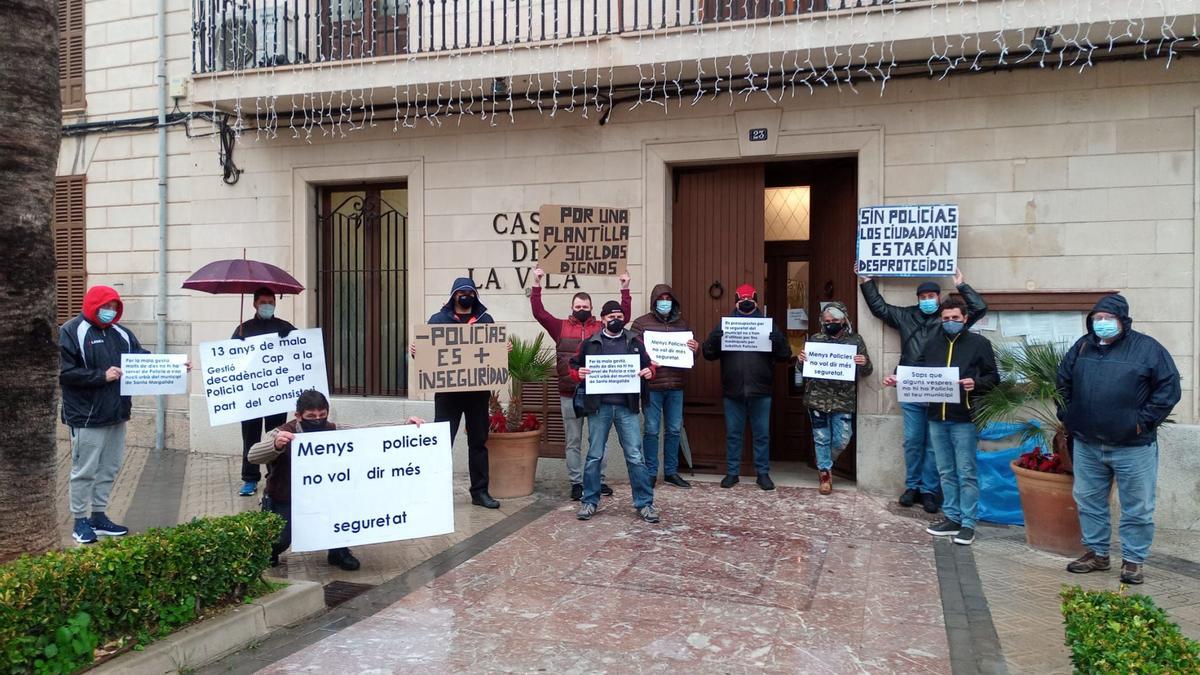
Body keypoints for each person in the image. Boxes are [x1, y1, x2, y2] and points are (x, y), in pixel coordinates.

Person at [1057, 294, 1180, 585]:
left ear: (1122, 320)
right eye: (1097, 318)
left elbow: (1168, 389)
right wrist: (1069, 416)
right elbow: (1063, 382)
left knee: (1137, 506)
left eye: (1108, 318)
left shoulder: (1148, 349)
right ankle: (1097, 555)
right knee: (1088, 501)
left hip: (1133, 447)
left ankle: (1133, 561)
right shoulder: (1083, 346)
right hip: (1087, 443)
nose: (1102, 323)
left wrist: (1141, 424)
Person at [248, 390, 426, 570]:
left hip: (323, 496)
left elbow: (365, 432)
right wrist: (275, 445)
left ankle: (338, 551)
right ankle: (270, 550)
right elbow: (253, 455)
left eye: (322, 415)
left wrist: (404, 425)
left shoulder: (332, 430)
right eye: (311, 416)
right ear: (298, 416)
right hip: (286, 496)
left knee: (341, 518)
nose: (317, 419)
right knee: (281, 539)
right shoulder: (282, 432)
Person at [859, 265, 988, 513]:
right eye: (923, 297)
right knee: (913, 441)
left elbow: (979, 309)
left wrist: (961, 285)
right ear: (917, 299)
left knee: (933, 444)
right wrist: (866, 281)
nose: (927, 301)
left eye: (931, 297)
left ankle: (930, 490)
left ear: (938, 298)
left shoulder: (949, 319)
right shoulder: (907, 316)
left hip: (941, 390)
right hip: (912, 388)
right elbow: (880, 308)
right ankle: (913, 486)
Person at [885, 297, 997, 546]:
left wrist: (975, 383)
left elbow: (993, 377)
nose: (950, 322)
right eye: (946, 319)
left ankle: (968, 524)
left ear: (965, 319)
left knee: (966, 472)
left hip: (964, 418)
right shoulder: (933, 343)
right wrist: (899, 379)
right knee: (945, 471)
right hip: (936, 416)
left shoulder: (979, 344)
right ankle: (952, 517)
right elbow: (919, 372)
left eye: (955, 318)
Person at [529, 267, 631, 500]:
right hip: (569, 393)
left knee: (599, 441)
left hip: (597, 394)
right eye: (578, 308)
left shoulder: (599, 327)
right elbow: (540, 313)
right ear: (572, 309)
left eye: (586, 307)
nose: (582, 310)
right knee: (573, 442)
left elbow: (622, 315)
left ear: (592, 309)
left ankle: (598, 480)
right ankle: (576, 482)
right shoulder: (560, 327)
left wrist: (625, 289)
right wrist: (536, 284)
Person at [60, 285, 149, 544]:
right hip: (86, 416)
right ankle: (79, 521)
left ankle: (98, 516)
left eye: (114, 307)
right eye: (106, 306)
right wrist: (102, 376)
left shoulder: (121, 333)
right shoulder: (71, 331)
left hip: (116, 414)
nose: (110, 312)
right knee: (84, 470)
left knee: (109, 468)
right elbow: (65, 373)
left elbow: (141, 359)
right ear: (93, 305)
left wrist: (175, 367)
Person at [569, 301, 660, 523]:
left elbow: (650, 365)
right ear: (603, 319)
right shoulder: (590, 343)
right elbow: (572, 366)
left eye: (619, 316)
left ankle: (644, 503)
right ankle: (590, 501)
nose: (616, 320)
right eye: (611, 317)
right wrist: (577, 374)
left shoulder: (634, 341)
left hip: (626, 408)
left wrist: (651, 371)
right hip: (599, 408)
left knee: (635, 456)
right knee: (594, 455)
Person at [416, 278, 502, 509]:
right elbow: (429, 356)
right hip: (448, 394)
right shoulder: (438, 320)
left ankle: (480, 492)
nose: (466, 296)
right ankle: (435, 492)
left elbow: (493, 354)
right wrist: (418, 351)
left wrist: (502, 350)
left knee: (478, 443)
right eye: (461, 292)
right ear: (454, 294)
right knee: (442, 444)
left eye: (470, 292)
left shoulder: (485, 320)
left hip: (477, 394)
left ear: (475, 295)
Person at [702, 284, 792, 491]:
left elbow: (784, 355)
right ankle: (732, 473)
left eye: (749, 301)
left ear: (756, 301)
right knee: (733, 434)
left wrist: (777, 341)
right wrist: (716, 338)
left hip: (761, 390)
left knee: (762, 434)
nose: (745, 304)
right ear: (736, 301)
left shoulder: (767, 325)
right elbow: (708, 353)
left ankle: (763, 473)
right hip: (733, 391)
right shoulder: (725, 325)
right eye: (742, 300)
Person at [794, 301, 872, 495]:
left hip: (843, 400)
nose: (830, 323)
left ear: (844, 320)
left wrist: (863, 362)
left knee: (842, 439)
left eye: (835, 320)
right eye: (827, 320)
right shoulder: (816, 339)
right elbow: (802, 370)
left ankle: (825, 462)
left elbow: (868, 371)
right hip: (817, 399)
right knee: (821, 438)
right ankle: (825, 474)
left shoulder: (855, 340)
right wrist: (800, 361)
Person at [630, 283, 699, 489]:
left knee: (674, 429)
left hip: (676, 385)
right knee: (651, 430)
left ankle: (671, 472)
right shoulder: (641, 323)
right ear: (654, 301)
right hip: (653, 386)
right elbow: (633, 350)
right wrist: (647, 364)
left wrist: (695, 349)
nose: (665, 303)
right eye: (662, 299)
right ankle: (651, 473)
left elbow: (690, 355)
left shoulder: (682, 324)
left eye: (669, 299)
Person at [233, 287, 297, 497]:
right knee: (250, 437)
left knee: (275, 436)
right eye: (263, 302)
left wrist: (292, 337)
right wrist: (237, 345)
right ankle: (249, 479)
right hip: (250, 396)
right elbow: (230, 361)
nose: (268, 305)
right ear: (254, 304)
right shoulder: (243, 329)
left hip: (275, 396)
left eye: (271, 302)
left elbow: (300, 352)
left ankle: (274, 477)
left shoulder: (284, 327)